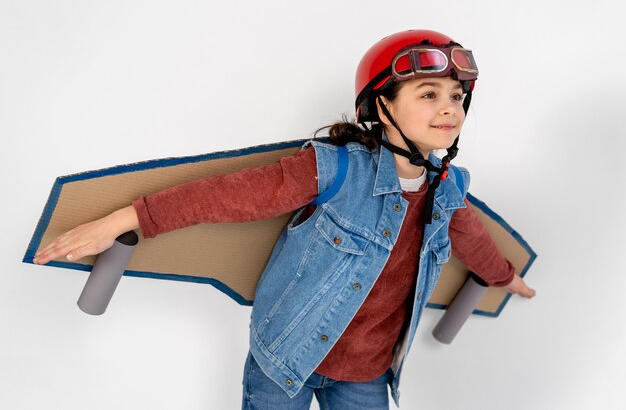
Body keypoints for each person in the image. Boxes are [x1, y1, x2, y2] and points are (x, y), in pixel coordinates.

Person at [33, 29, 536, 409]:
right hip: (286, 357)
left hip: (367, 371)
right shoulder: (334, 169)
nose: (449, 108)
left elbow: (470, 237)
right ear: (383, 106)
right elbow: (223, 197)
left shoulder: (448, 189)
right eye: (428, 94)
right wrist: (127, 218)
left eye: (456, 96)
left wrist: (502, 276)